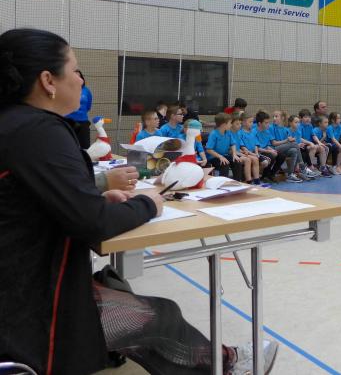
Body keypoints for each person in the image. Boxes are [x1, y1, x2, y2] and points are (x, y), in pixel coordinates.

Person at [0, 28, 277, 375]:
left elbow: (33, 199)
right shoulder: (38, 131)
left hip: (20, 287)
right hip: (27, 305)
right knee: (157, 314)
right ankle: (229, 366)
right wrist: (148, 204)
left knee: (122, 289)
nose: (81, 80)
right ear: (47, 81)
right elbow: (93, 223)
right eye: (75, 70)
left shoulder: (16, 124)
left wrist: (95, 195)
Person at [268, 110, 302, 182]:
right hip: (273, 148)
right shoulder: (271, 127)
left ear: (282, 118)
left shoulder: (285, 129)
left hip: (283, 149)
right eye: (273, 116)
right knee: (294, 144)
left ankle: (290, 174)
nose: (274, 118)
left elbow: (287, 142)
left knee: (294, 150)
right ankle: (303, 166)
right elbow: (274, 143)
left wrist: (290, 140)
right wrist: (286, 141)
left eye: (276, 116)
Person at [64, 71, 92, 149]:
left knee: (85, 146)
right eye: (74, 76)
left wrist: (79, 114)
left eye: (79, 76)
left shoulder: (86, 91)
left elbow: (88, 106)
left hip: (82, 122)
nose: (77, 78)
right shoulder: (64, 90)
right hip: (68, 122)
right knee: (68, 146)